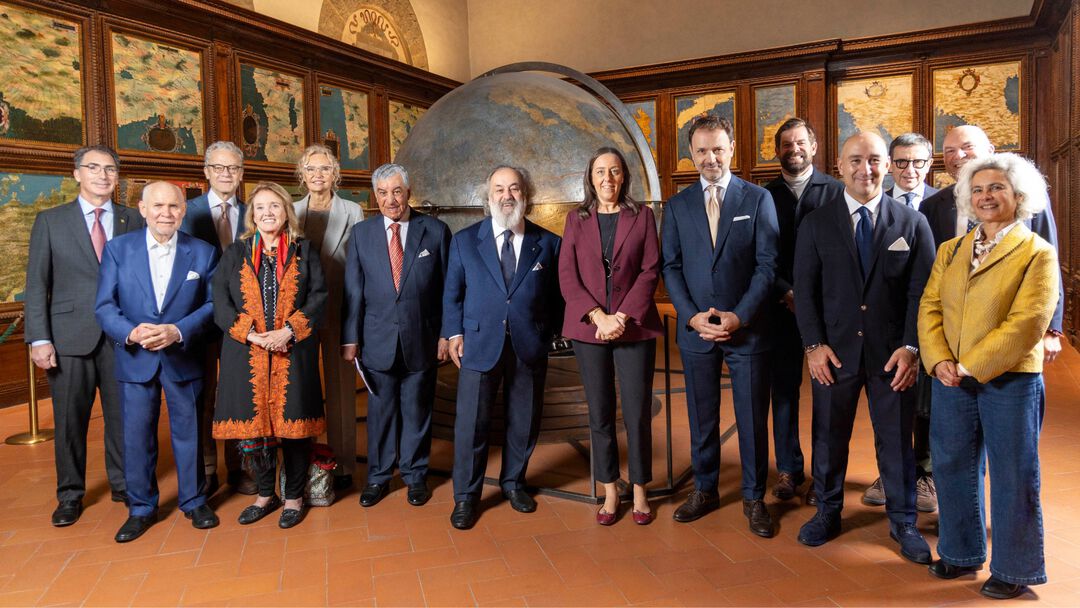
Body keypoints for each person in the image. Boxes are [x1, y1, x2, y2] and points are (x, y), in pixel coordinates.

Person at [918, 153, 1057, 600]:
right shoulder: (951, 249)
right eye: (977, 190)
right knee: (953, 466)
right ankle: (960, 553)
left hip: (1010, 380)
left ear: (1018, 196)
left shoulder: (1038, 253)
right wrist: (938, 359)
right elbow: (930, 306)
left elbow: (1028, 323)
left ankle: (1016, 568)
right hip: (950, 380)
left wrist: (969, 365)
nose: (985, 197)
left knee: (1014, 472)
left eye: (996, 188)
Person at [792, 132, 935, 564]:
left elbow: (923, 295)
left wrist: (911, 347)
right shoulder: (817, 222)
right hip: (833, 356)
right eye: (856, 160)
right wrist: (813, 346)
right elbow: (806, 291)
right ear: (839, 165)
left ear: (887, 165)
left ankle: (904, 522)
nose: (865, 169)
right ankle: (828, 512)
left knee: (895, 442)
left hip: (892, 357)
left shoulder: (912, 223)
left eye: (874, 160)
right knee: (828, 437)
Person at [661, 114, 780, 538]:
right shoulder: (677, 205)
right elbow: (670, 267)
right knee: (701, 416)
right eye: (702, 151)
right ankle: (705, 489)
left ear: (732, 150)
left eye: (718, 149)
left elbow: (767, 266)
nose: (710, 157)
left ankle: (753, 497)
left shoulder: (757, 200)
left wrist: (739, 315)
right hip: (696, 330)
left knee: (751, 417)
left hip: (746, 328)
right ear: (691, 156)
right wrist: (691, 315)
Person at [24, 145, 144, 527]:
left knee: (122, 417)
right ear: (77, 174)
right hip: (67, 338)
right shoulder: (50, 221)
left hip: (121, 337)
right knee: (70, 421)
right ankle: (70, 494)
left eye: (110, 169)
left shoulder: (133, 220)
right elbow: (36, 284)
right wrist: (39, 338)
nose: (103, 175)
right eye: (94, 168)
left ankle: (124, 485)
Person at [94, 182, 221, 542]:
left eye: (174, 206)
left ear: (184, 210)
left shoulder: (204, 252)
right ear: (143, 209)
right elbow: (105, 305)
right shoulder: (118, 250)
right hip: (135, 356)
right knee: (136, 436)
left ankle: (194, 500)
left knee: (190, 431)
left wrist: (178, 331)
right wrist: (132, 333)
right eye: (158, 206)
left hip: (183, 355)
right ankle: (141, 507)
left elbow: (212, 306)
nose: (166, 213)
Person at [442, 165, 563, 530]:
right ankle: (465, 497)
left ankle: (513, 483)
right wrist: (453, 333)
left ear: (526, 195)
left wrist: (550, 333)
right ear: (488, 196)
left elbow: (558, 297)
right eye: (499, 189)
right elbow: (452, 295)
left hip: (529, 344)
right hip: (478, 344)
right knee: (471, 426)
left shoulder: (549, 243)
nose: (506, 195)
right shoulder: (465, 241)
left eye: (514, 188)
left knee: (523, 420)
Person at [211, 182, 328, 529]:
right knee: (254, 432)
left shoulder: (305, 250)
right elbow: (220, 300)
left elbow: (319, 296)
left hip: (293, 353)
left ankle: (293, 497)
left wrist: (288, 331)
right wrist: (251, 334)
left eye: (274, 206)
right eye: (260, 207)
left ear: (286, 212)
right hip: (246, 353)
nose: (267, 213)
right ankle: (265, 494)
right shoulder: (236, 252)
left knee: (294, 430)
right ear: (252, 215)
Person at [559, 147, 663, 526]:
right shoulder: (576, 219)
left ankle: (639, 489)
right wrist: (598, 316)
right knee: (599, 411)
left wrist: (620, 316)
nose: (608, 179)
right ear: (590, 177)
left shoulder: (642, 216)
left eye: (615, 171)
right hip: (590, 327)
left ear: (624, 177)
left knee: (636, 411)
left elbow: (650, 270)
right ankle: (609, 489)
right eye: (600, 171)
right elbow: (567, 275)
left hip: (633, 325)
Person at [341, 164, 451, 508]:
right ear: (376, 196)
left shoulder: (435, 231)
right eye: (384, 193)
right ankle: (378, 477)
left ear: (408, 191)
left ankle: (416, 475)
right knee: (381, 413)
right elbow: (353, 293)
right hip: (376, 340)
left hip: (423, 338)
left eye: (397, 192)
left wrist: (447, 335)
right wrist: (350, 338)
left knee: (418, 411)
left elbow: (449, 289)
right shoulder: (361, 234)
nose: (391, 200)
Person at [921, 125, 1063, 362]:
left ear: (990, 150)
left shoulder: (1027, 197)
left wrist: (1052, 328)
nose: (958, 156)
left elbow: (1050, 260)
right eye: (949, 151)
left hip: (1014, 332)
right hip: (954, 332)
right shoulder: (932, 205)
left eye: (967, 148)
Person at [762, 118, 844, 504]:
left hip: (826, 312)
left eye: (800, 142)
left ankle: (824, 475)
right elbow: (759, 253)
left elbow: (843, 252)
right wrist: (786, 291)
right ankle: (789, 468)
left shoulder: (837, 191)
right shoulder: (765, 195)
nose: (793, 149)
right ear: (777, 151)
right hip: (779, 309)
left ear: (813, 146)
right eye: (786, 144)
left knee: (827, 392)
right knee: (784, 392)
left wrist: (811, 296)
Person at [863, 132, 939, 512]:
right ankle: (891, 471)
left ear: (930, 164)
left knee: (926, 403)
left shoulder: (943, 204)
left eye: (919, 162)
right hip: (886, 327)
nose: (910, 170)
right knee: (892, 405)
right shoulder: (874, 203)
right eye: (902, 162)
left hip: (935, 321)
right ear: (890, 164)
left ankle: (925, 474)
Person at [182, 140, 251, 496]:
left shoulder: (254, 210)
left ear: (241, 173)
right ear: (207, 171)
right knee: (203, 395)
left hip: (243, 320)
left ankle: (240, 466)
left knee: (238, 392)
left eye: (234, 168)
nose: (227, 174)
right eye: (219, 168)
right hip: (200, 318)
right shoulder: (186, 211)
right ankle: (208, 470)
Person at [294, 144, 364, 491]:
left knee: (340, 391)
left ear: (335, 174)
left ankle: (344, 465)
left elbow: (359, 266)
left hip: (339, 309)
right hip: (300, 315)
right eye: (311, 168)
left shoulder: (352, 211)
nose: (318, 175)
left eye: (324, 169)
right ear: (302, 174)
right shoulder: (290, 211)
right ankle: (304, 462)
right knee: (302, 388)